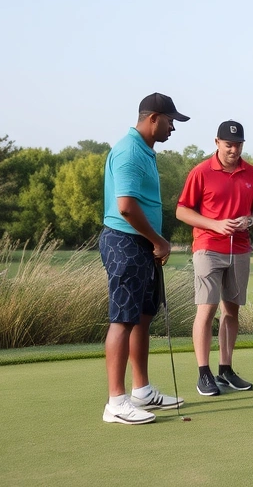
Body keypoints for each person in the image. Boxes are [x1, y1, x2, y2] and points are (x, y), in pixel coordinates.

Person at [100, 92, 188, 424]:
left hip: (141, 244)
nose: (173, 128)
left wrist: (153, 243)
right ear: (152, 118)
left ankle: (141, 390)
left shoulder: (146, 151)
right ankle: (116, 402)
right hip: (125, 241)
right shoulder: (129, 152)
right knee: (123, 319)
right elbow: (125, 206)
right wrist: (159, 241)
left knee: (142, 316)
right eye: (170, 121)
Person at [176, 120, 253, 396]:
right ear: (217, 143)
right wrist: (213, 224)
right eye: (229, 145)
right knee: (207, 308)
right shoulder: (201, 172)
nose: (234, 150)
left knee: (232, 310)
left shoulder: (251, 172)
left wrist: (250, 220)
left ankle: (225, 369)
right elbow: (182, 211)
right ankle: (203, 373)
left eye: (238, 144)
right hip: (208, 246)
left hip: (239, 248)